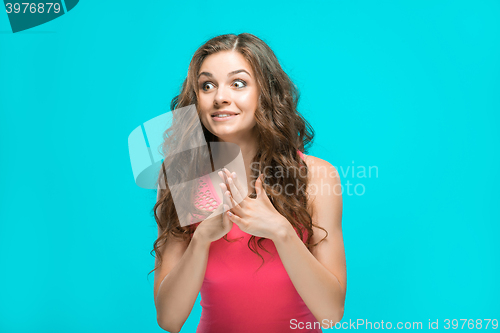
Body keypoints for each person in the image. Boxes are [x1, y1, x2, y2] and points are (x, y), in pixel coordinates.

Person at [152, 33, 346, 333]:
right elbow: (169, 319)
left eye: (238, 83)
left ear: (265, 94)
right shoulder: (181, 176)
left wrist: (281, 232)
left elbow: (331, 314)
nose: (220, 97)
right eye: (207, 85)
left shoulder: (317, 177)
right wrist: (202, 238)